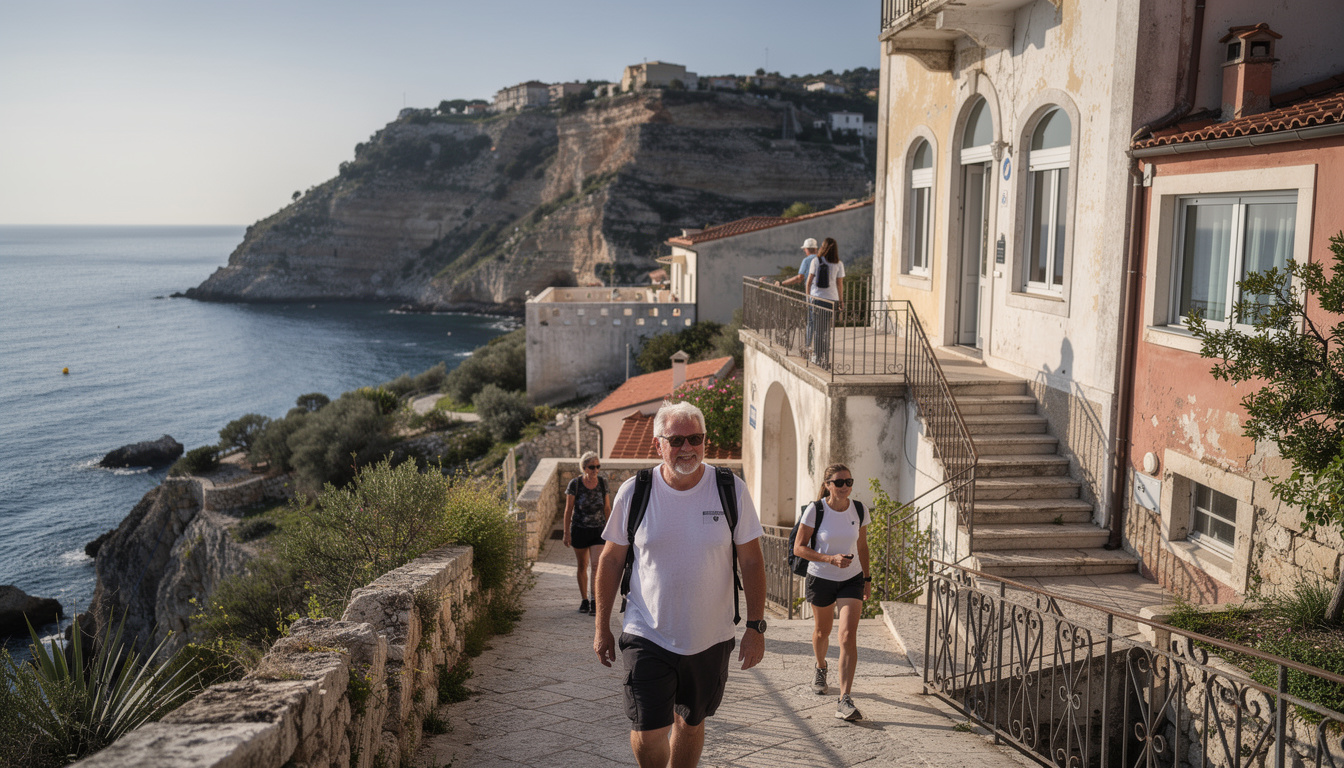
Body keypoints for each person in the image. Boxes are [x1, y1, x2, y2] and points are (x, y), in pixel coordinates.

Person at [594, 401, 767, 768]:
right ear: (658, 445)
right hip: (647, 631)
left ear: (706, 441)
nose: (687, 447)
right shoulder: (634, 492)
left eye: (695, 438)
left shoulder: (729, 490)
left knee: (690, 723)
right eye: (676, 440)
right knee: (647, 731)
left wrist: (755, 627)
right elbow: (610, 560)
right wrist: (601, 627)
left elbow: (751, 560)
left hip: (710, 636)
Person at [791, 463, 870, 722]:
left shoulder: (859, 509)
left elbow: (862, 547)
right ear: (827, 485)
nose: (845, 487)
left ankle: (844, 699)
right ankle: (821, 667)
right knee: (822, 632)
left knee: (847, 635)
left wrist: (867, 579)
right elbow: (799, 548)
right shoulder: (816, 511)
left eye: (849, 482)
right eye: (839, 482)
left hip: (852, 578)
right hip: (821, 577)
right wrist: (830, 558)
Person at [563, 451, 611, 614]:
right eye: (592, 467)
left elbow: (607, 508)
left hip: (598, 530)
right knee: (582, 565)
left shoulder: (603, 483)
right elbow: (568, 509)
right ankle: (584, 600)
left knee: (597, 565)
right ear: (584, 468)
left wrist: (611, 530)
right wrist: (566, 533)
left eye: (598, 466)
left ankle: (594, 600)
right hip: (579, 530)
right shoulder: (575, 484)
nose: (595, 470)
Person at [805, 237, 845, 366]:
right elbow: (840, 284)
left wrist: (808, 298)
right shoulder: (839, 264)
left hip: (817, 299)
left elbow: (809, 281)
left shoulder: (816, 261)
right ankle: (825, 358)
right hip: (832, 300)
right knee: (826, 330)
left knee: (818, 329)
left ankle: (817, 357)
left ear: (823, 247)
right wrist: (841, 301)